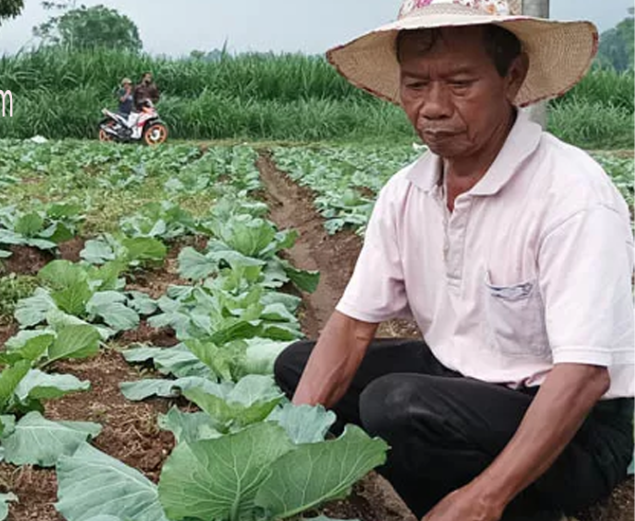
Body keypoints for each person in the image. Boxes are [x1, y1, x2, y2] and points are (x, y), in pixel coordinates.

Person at [272, 1, 634, 521]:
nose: (434, 107)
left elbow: (585, 376)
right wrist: (289, 452)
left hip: (577, 428)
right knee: (298, 365)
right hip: (464, 381)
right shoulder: (407, 191)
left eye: (460, 84)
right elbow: (352, 327)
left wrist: (483, 497)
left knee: (395, 406)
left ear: (513, 77)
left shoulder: (572, 195)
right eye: (416, 86)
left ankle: (495, 504)